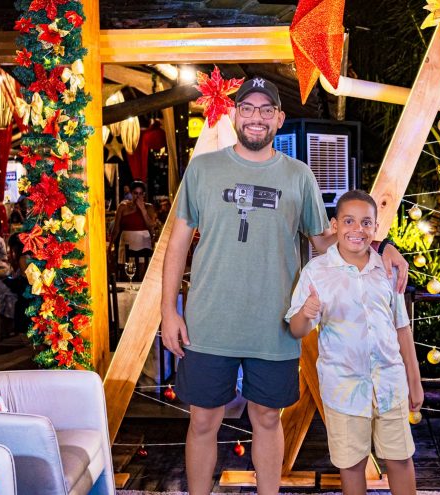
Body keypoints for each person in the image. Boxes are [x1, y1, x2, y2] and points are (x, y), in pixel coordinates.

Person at [160, 77, 408, 495]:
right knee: (202, 419)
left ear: (279, 118)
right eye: (247, 108)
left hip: (274, 323)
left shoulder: (298, 176)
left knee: (268, 418)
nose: (256, 117)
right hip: (209, 320)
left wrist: (381, 244)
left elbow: (324, 239)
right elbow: (177, 243)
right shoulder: (203, 168)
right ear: (235, 114)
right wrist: (169, 311)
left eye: (265, 110)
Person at [286, 190, 422, 495]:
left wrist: (414, 380)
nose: (357, 229)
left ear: (375, 229)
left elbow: (401, 327)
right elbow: (296, 329)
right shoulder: (316, 272)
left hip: (390, 384)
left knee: (400, 458)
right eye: (349, 221)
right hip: (344, 388)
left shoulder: (387, 271)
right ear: (335, 225)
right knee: (352, 464)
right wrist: (307, 315)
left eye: (365, 223)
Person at [109, 180, 156, 268]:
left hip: (143, 243)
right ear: (131, 193)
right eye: (135, 193)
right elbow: (116, 229)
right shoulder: (123, 206)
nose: (138, 196)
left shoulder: (149, 207)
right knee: (127, 270)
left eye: (140, 194)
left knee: (142, 271)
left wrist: (142, 209)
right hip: (126, 243)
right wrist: (110, 247)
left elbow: (151, 226)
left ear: (144, 194)